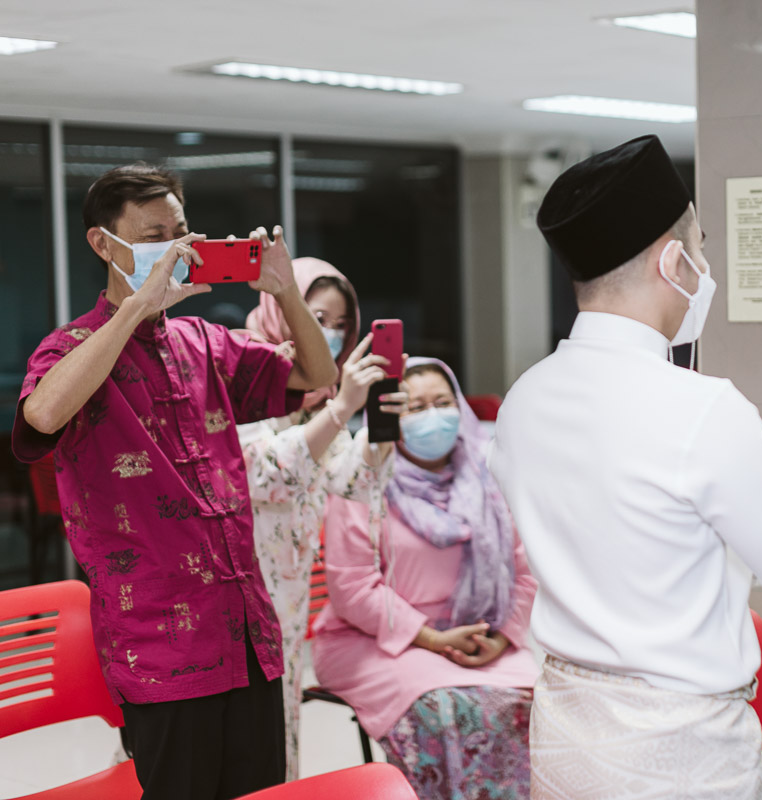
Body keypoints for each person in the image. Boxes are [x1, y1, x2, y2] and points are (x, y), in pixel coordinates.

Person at [486, 134, 762, 799]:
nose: (704, 262)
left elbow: (637, 541)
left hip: (563, 735)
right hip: (679, 751)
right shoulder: (701, 407)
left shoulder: (525, 397)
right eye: (700, 245)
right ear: (673, 263)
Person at [11, 164, 338, 800]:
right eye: (156, 236)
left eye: (182, 232)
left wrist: (285, 293)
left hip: (247, 633)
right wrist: (136, 307)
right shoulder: (70, 349)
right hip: (161, 648)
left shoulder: (207, 342)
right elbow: (43, 415)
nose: (177, 249)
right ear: (105, 246)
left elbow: (315, 375)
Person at [312, 357, 538, 799]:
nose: (432, 416)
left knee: (541, 704)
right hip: (376, 641)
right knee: (449, 710)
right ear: (389, 416)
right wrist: (434, 640)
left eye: (442, 402)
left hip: (481, 638)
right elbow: (352, 587)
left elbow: (524, 571)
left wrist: (500, 637)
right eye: (414, 408)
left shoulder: (489, 479)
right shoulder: (364, 481)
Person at [238, 257, 402, 781]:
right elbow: (261, 472)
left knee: (278, 729)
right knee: (232, 736)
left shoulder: (318, 398)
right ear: (283, 312)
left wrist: (379, 427)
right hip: (234, 589)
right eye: (316, 318)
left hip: (285, 594)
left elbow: (346, 481)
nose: (326, 335)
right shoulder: (240, 370)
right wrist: (339, 411)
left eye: (339, 326)